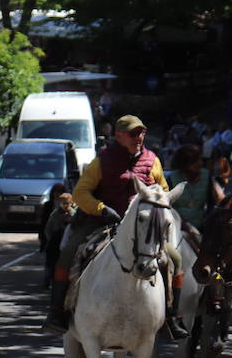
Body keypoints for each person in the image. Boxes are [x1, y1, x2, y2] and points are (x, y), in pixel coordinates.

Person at [44, 115, 188, 339]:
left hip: (140, 227)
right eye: (133, 133)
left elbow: (164, 192)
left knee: (176, 259)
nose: (139, 137)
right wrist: (101, 209)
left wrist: (158, 203)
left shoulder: (153, 160)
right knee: (67, 253)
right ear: (119, 136)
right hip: (100, 221)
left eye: (141, 133)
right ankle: (57, 312)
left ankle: (172, 316)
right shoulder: (102, 160)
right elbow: (80, 193)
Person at [166, 145, 216, 234]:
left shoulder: (207, 176)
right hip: (175, 228)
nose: (199, 163)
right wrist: (180, 221)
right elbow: (166, 205)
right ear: (184, 165)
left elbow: (211, 203)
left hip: (199, 228)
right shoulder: (171, 179)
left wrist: (207, 219)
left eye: (200, 159)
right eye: (194, 161)